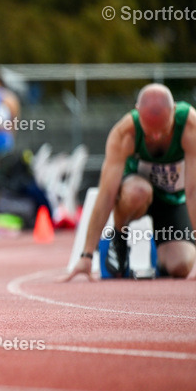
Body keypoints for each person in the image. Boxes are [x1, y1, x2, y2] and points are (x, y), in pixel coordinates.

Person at [65, 84, 196, 281]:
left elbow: (194, 191)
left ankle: (159, 256)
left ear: (174, 111)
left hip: (172, 200)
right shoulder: (124, 133)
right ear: (137, 113)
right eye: (150, 131)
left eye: (163, 129)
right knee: (138, 191)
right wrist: (86, 255)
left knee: (182, 265)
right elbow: (107, 194)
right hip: (135, 194)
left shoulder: (190, 126)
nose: (157, 136)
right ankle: (118, 237)